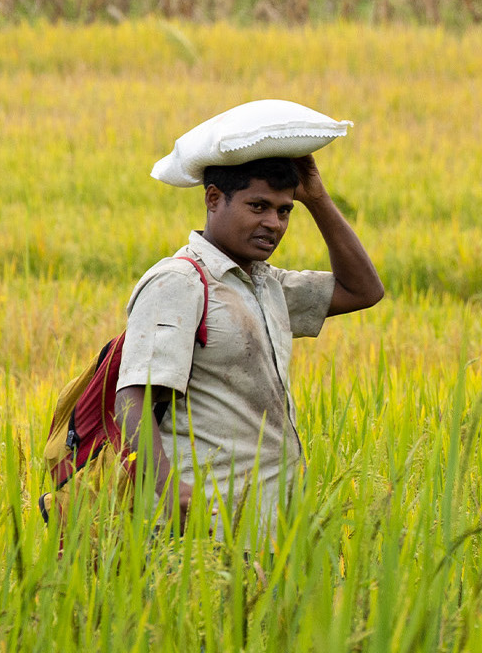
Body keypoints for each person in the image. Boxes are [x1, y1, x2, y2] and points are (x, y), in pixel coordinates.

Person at [112, 153, 383, 535]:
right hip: (200, 528)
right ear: (213, 199)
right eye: (258, 206)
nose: (273, 223)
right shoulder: (179, 282)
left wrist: (317, 198)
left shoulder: (266, 285)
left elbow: (363, 289)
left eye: (284, 211)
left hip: (269, 526)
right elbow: (131, 396)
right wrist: (165, 485)